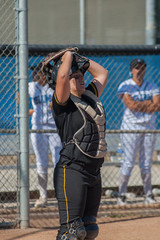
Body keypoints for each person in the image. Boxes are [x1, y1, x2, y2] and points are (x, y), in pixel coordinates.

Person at [43, 48, 108, 240]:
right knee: (72, 232)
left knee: (89, 230)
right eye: (76, 76)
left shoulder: (89, 96)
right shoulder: (63, 103)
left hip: (94, 172)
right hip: (72, 171)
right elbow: (62, 75)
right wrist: (68, 55)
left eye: (82, 75)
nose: (81, 79)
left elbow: (103, 73)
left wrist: (82, 60)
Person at [117, 58, 160, 206]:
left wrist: (142, 104)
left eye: (142, 68)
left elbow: (158, 105)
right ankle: (121, 195)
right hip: (131, 127)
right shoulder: (125, 85)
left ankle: (148, 194)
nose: (140, 71)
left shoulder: (152, 85)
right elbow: (131, 105)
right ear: (131, 70)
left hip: (149, 127)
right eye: (137, 68)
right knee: (128, 162)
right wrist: (148, 103)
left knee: (146, 163)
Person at [28, 63, 62, 208]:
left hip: (54, 127)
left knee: (58, 162)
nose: (36, 75)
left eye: (39, 73)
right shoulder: (30, 86)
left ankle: (61, 196)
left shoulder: (54, 87)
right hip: (38, 128)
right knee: (41, 162)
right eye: (35, 73)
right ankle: (43, 197)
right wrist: (30, 111)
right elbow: (19, 102)